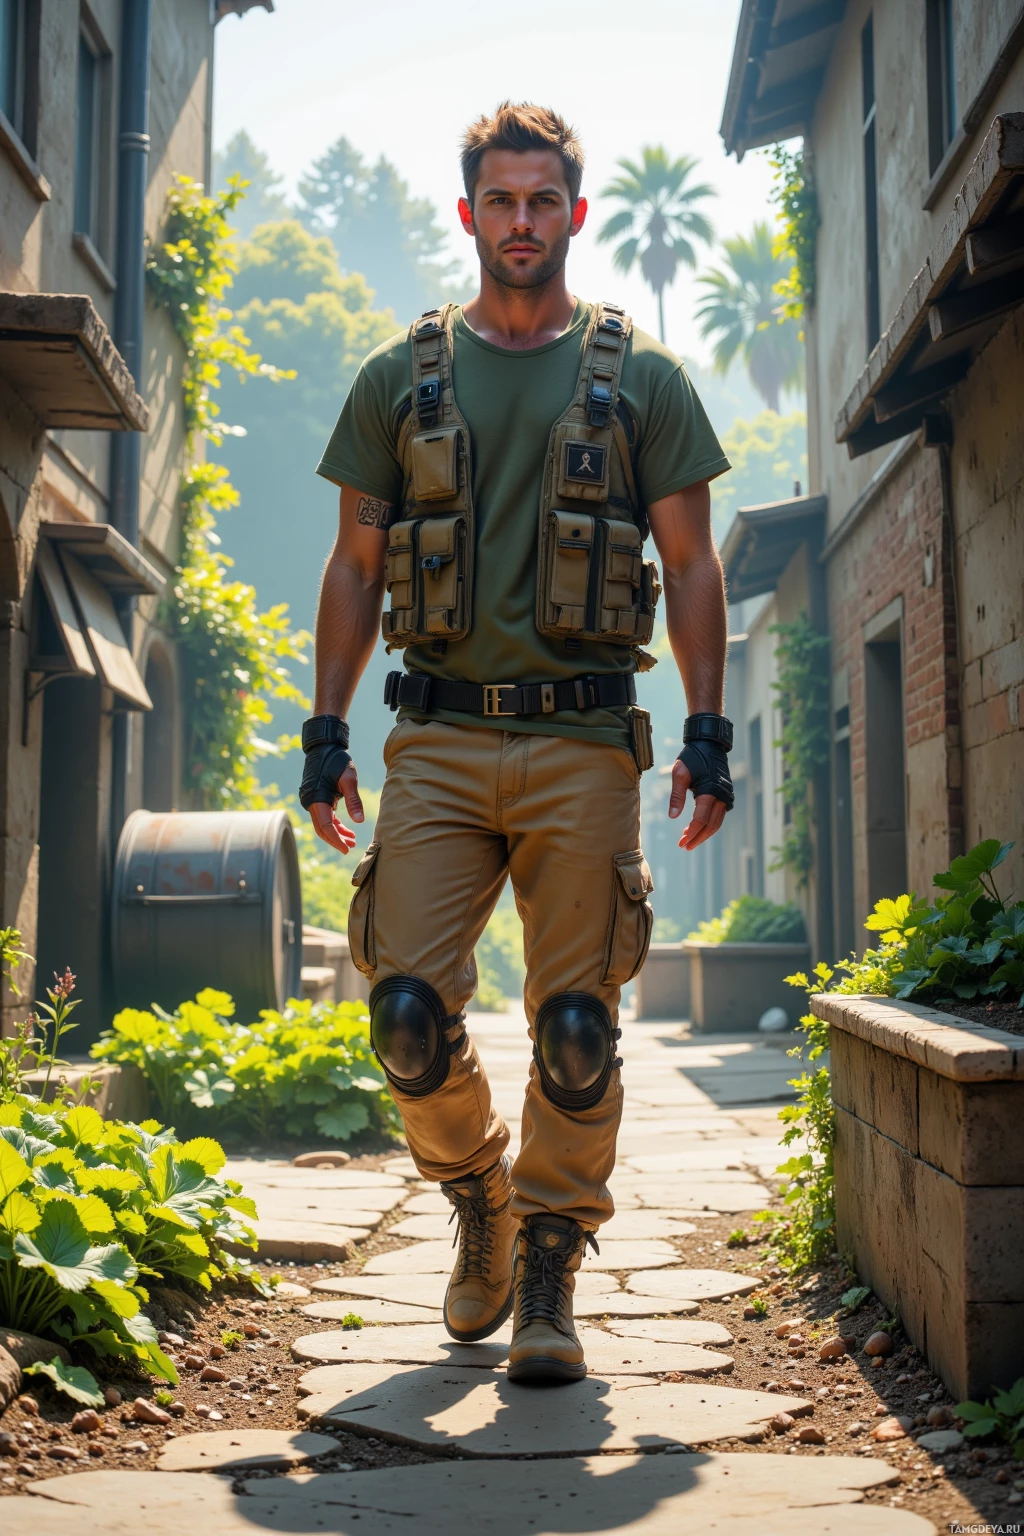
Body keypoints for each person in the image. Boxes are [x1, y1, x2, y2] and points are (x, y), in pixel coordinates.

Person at [301, 102, 734, 1385]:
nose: (523, 222)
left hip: (585, 738)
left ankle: (548, 1262)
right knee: (403, 1015)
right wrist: (326, 730)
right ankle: (480, 1194)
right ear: (470, 214)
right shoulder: (399, 376)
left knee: (577, 1028)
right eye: (502, 201)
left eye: (544, 201)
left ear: (574, 215)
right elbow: (354, 561)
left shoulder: (640, 378)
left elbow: (693, 559)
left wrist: (705, 732)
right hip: (433, 740)